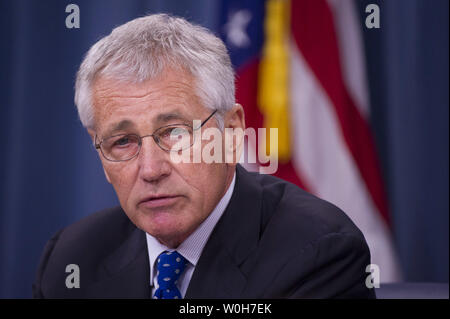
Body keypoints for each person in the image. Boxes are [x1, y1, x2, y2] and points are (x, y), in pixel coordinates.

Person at [33, 13, 375, 299]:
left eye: (175, 133)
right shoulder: (70, 260)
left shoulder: (318, 254)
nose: (151, 170)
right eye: (122, 141)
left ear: (232, 131)